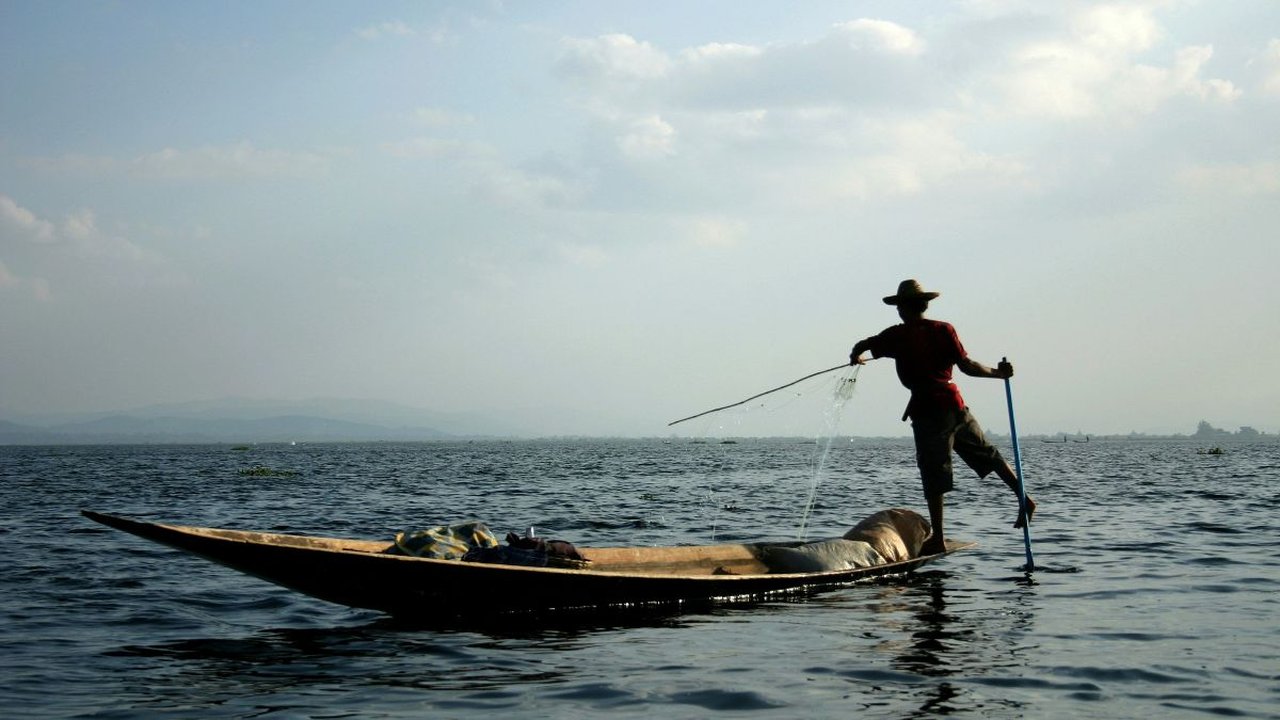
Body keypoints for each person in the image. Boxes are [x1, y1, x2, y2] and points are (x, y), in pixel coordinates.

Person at [849, 279, 1035, 555]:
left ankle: (938, 537)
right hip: (955, 406)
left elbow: (862, 344)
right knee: (989, 454)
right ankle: (1025, 498)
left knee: (933, 472)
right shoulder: (943, 330)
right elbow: (968, 367)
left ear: (901, 309)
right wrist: (998, 374)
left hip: (929, 412)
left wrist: (856, 357)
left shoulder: (897, 335)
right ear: (924, 306)